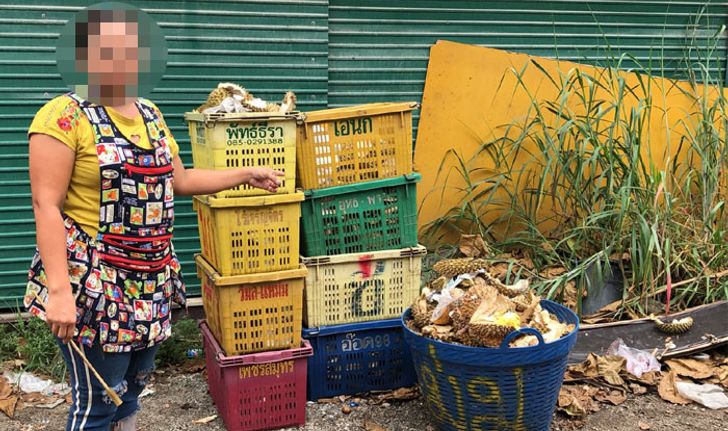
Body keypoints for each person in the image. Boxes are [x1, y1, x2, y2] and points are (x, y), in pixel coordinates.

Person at [23, 5, 283, 431]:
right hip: (93, 282)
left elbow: (179, 179)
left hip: (149, 278)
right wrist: (59, 292)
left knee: (131, 391)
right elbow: (45, 205)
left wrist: (245, 174)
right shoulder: (63, 116)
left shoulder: (149, 114)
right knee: (97, 404)